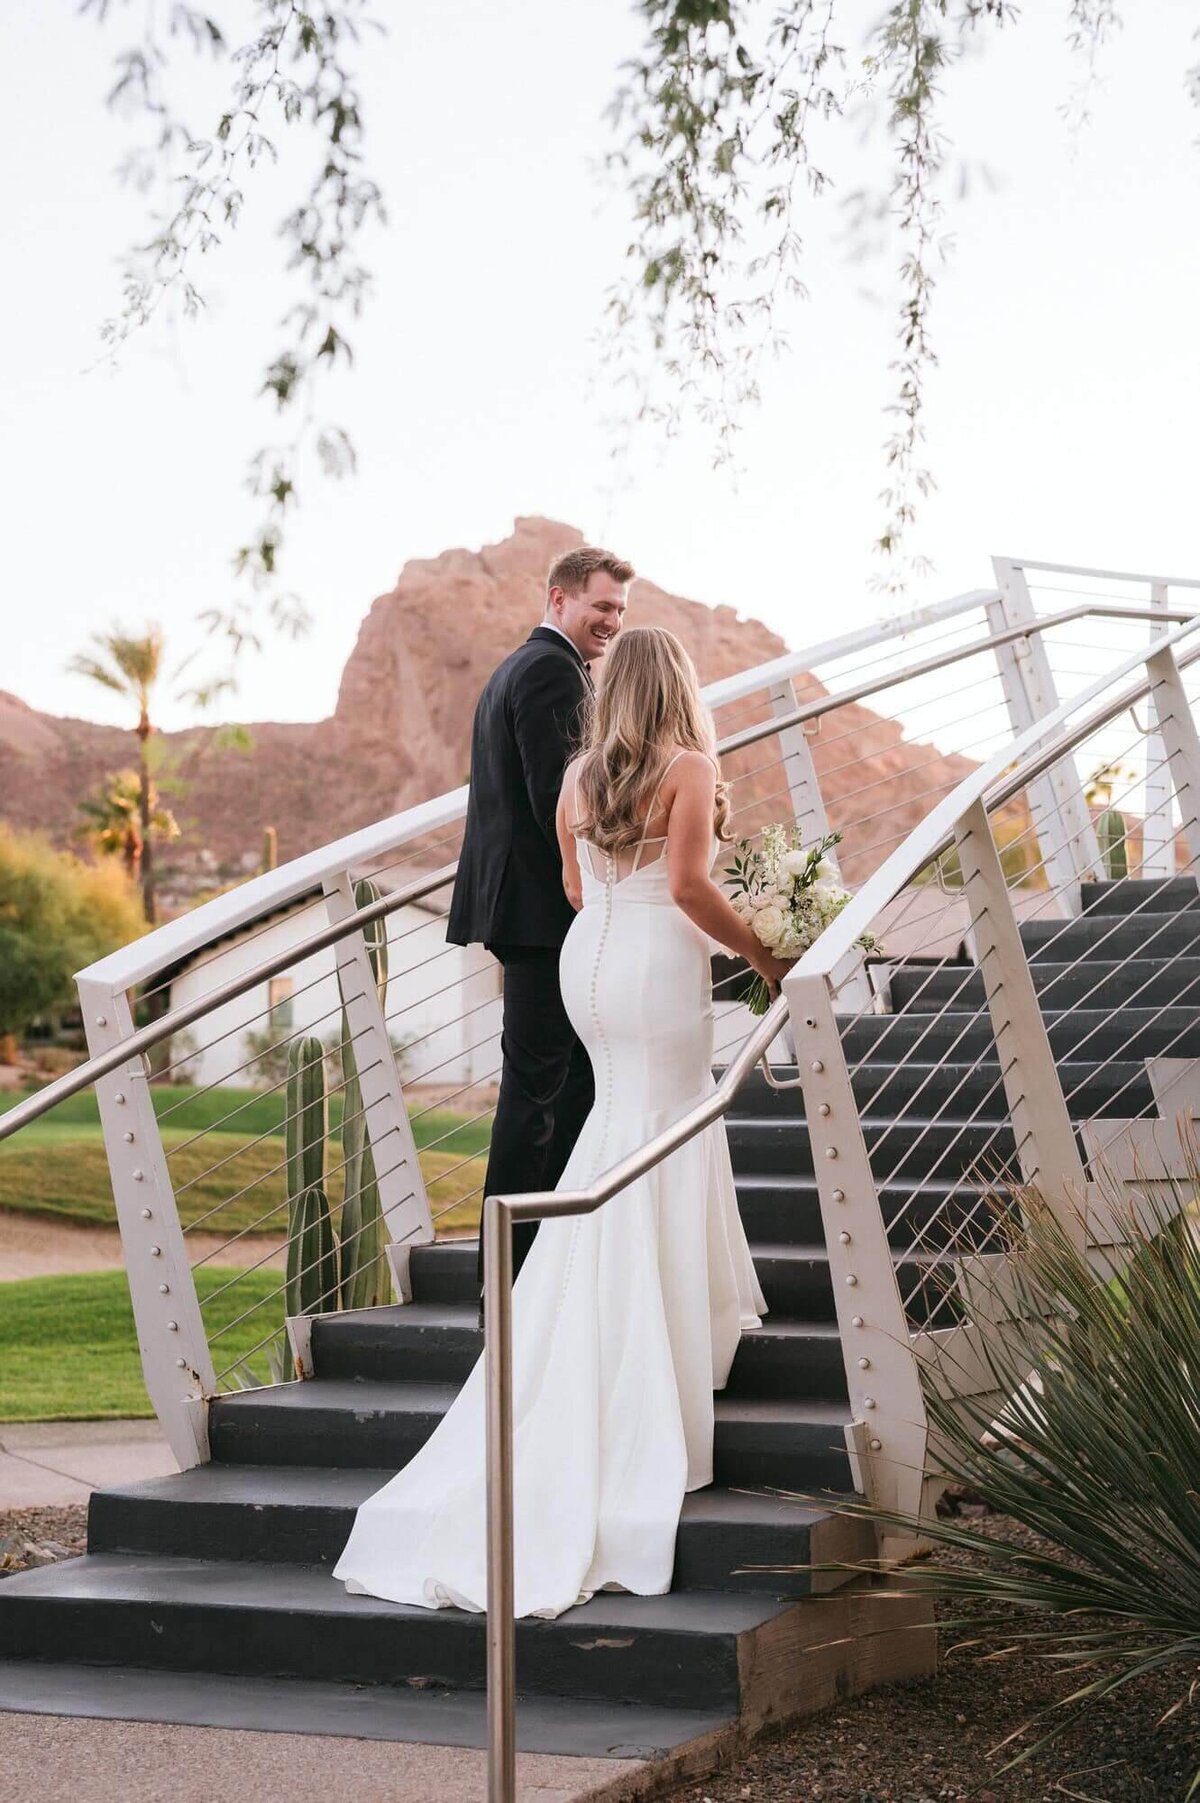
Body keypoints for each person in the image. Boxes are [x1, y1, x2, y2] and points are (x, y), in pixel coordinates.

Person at [333, 627, 791, 1620]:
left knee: (620, 1123)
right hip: (660, 962)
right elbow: (688, 887)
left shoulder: (581, 776)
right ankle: (655, 1346)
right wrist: (765, 955)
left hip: (590, 962)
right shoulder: (691, 767)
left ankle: (606, 1307)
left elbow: (581, 889)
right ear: (678, 689)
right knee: (669, 1121)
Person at [446, 546, 634, 1300]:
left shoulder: (513, 670)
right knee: (539, 1094)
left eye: (620, 610)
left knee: (567, 1086)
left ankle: (544, 1264)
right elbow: (564, 805)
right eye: (601, 605)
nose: (612, 622)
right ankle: (511, 1278)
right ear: (557, 597)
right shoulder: (554, 673)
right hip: (548, 918)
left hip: (524, 916)